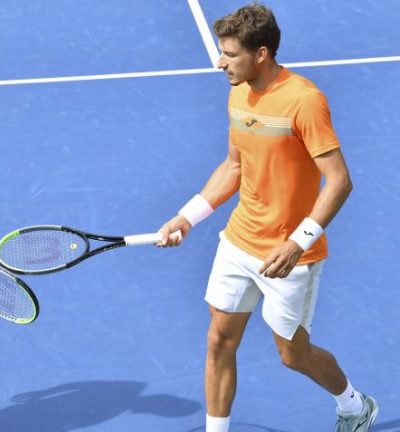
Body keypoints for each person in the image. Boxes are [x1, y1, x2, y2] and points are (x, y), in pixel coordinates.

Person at [157, 4, 378, 431]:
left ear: (261, 54)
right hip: (238, 241)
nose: (220, 62)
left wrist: (299, 242)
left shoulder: (304, 101)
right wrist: (188, 217)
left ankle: (354, 405)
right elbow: (234, 167)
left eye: (230, 54)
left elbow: (339, 181)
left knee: (292, 354)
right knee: (219, 340)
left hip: (289, 255)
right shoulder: (237, 92)